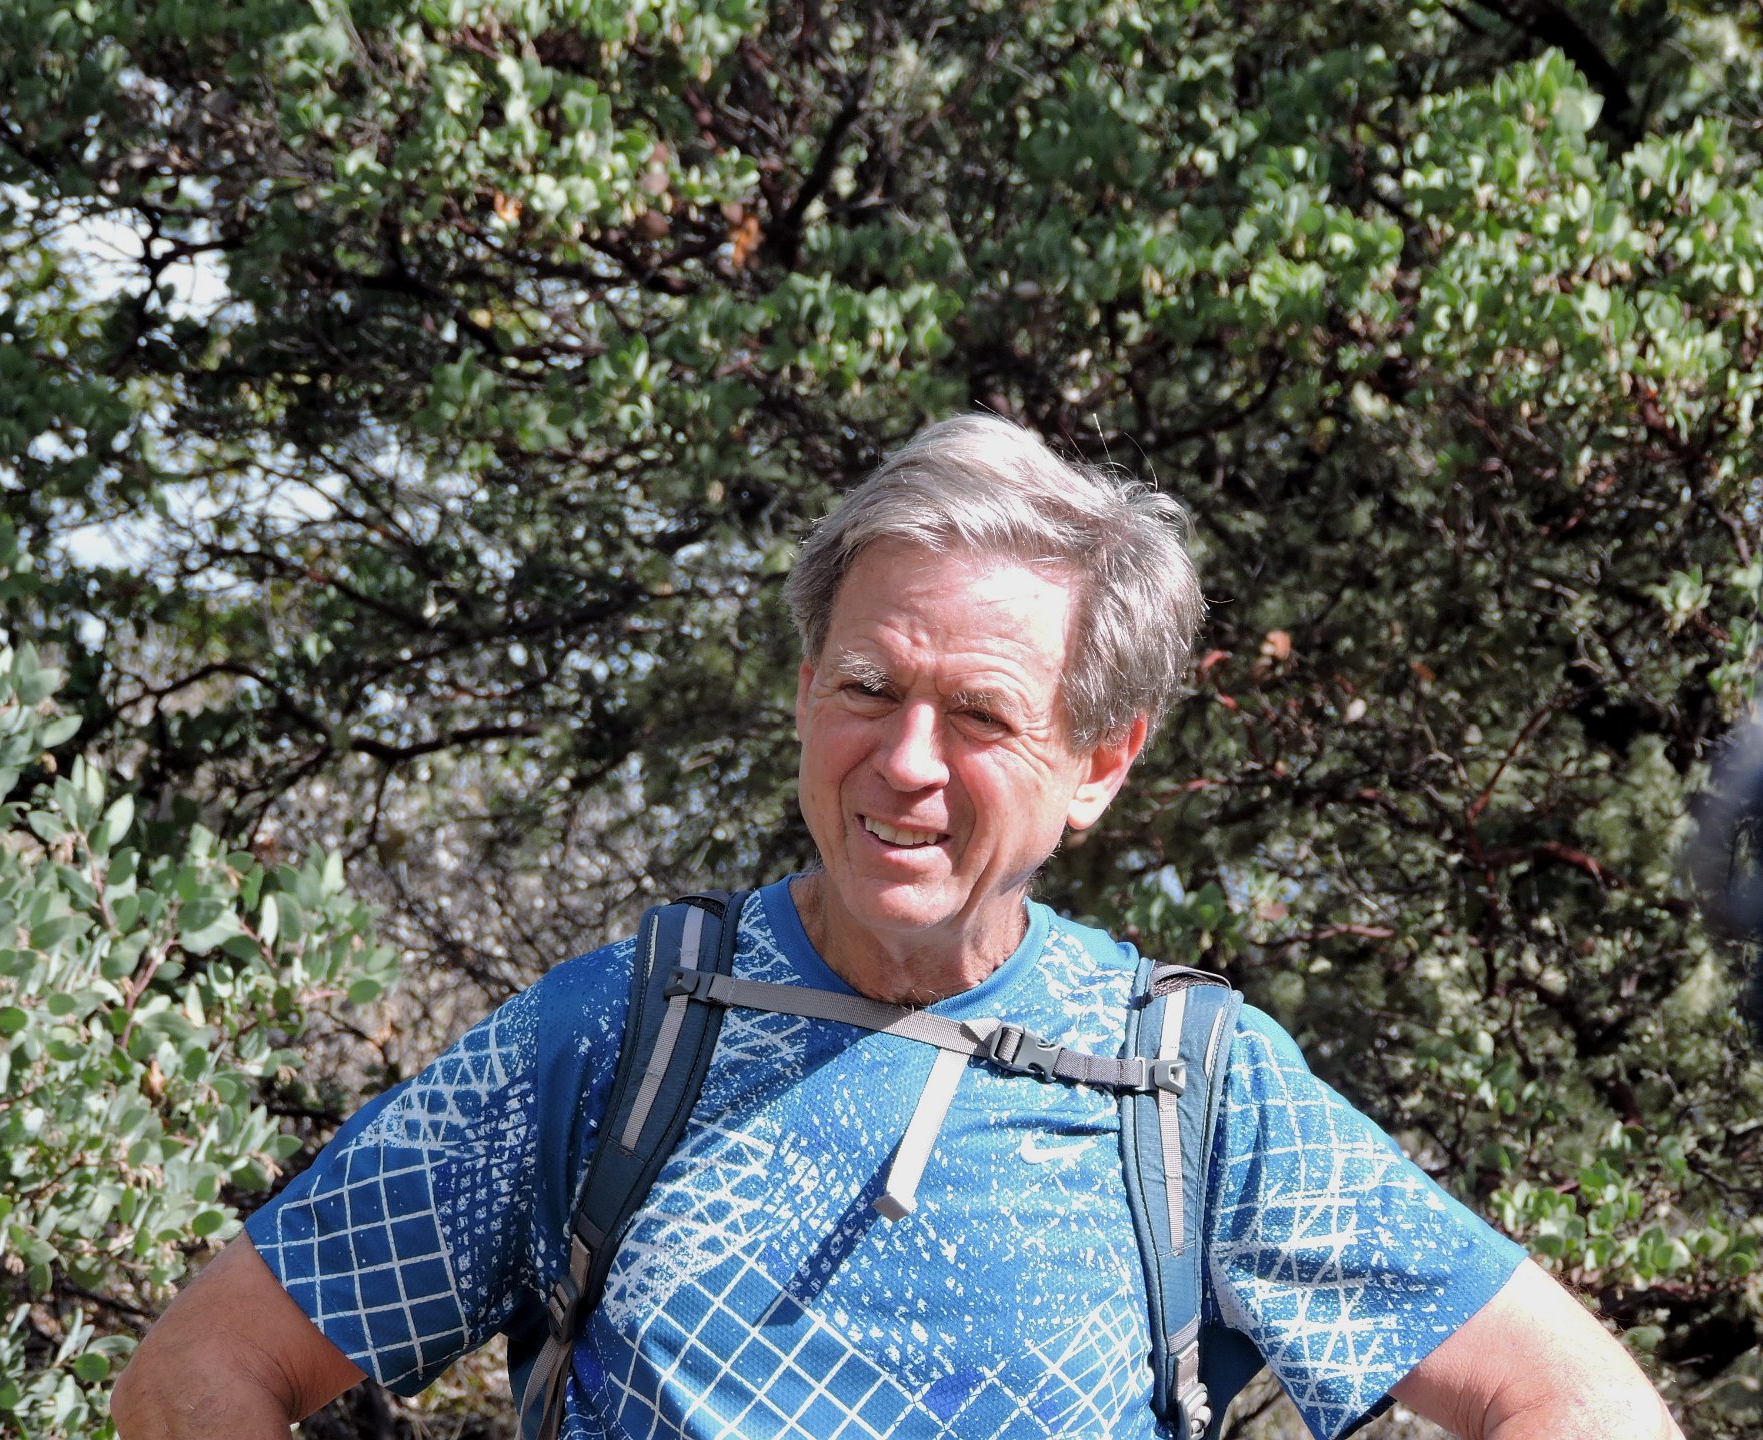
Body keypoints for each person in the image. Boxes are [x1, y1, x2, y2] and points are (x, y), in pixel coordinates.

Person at [112, 416, 1682, 1439]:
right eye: (867, 687)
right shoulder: (619, 1036)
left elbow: (1577, 1403)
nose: (906, 763)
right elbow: (198, 1373)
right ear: (807, 689)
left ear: (1101, 761)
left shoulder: (1186, 1087)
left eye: (981, 714)